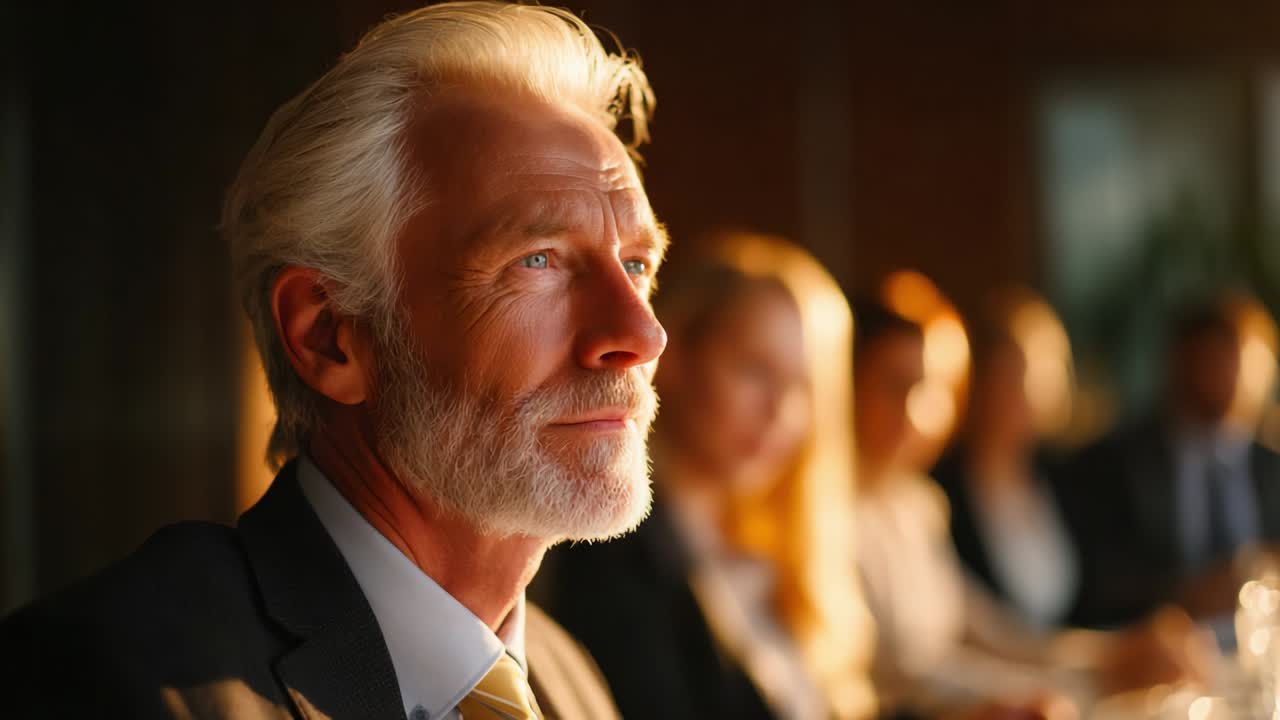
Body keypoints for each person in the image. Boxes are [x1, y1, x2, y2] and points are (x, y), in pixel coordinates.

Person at [0, 3, 667, 718]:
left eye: (636, 266)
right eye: (538, 261)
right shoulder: (107, 679)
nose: (642, 334)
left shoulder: (569, 680)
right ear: (329, 335)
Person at [543, 233, 877, 720]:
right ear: (676, 356)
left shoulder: (769, 553)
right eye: (754, 370)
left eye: (801, 386)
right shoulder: (612, 557)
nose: (779, 411)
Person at [851, 298, 1202, 719]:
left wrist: (1113, 655)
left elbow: (996, 636)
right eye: (892, 386)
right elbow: (908, 678)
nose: (911, 413)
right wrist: (1076, 685)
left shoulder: (914, 505)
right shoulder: (831, 515)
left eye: (927, 388)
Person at [1059, 297, 1280, 628]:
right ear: (1178, 363)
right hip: (1154, 642)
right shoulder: (1113, 465)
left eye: (1243, 361)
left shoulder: (1271, 466)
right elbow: (1095, 587)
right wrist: (1184, 598)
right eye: (1214, 359)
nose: (1232, 375)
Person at [933, 292, 1080, 630]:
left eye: (1033, 379)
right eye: (1004, 378)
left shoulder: (1067, 482)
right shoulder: (939, 493)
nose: (1019, 395)